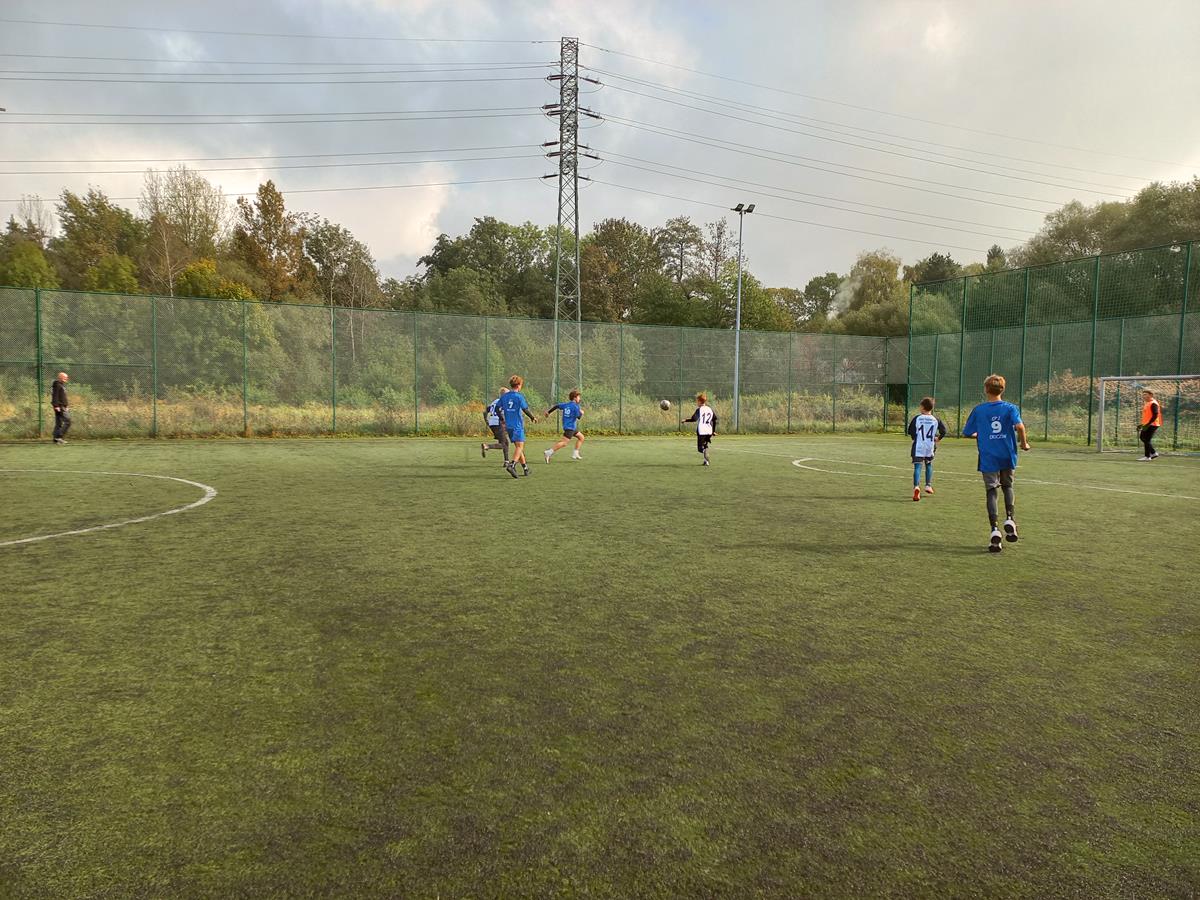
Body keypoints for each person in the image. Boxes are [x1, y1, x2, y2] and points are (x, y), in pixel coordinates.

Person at [963, 374, 1031, 553]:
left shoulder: (979, 410)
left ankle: (995, 530)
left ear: (986, 389)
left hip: (988, 456)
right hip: (1007, 454)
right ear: (1003, 389)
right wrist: (1024, 443)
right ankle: (1010, 518)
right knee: (1007, 486)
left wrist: (981, 434)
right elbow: (1020, 426)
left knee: (991, 491)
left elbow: (967, 432)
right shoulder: (1010, 408)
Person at [906, 396, 947, 501]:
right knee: (928, 464)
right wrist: (938, 438)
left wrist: (914, 438)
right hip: (930, 446)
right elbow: (944, 431)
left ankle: (916, 487)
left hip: (919, 446)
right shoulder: (935, 419)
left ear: (923, 407)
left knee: (917, 467)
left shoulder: (917, 418)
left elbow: (910, 431)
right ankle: (928, 485)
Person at [496, 374, 537, 476]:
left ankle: (525, 468)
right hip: (517, 426)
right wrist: (532, 417)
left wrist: (502, 418)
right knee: (520, 447)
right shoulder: (519, 396)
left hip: (509, 426)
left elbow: (497, 408)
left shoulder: (505, 396)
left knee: (518, 447)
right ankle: (512, 465)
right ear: (519, 385)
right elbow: (525, 409)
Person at [481, 387, 517, 478]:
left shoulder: (495, 401)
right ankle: (487, 446)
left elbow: (485, 411)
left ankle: (506, 461)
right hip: (498, 423)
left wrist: (486, 420)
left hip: (492, 423)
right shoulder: (504, 401)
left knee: (505, 442)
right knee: (503, 444)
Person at [544, 389, 584, 462]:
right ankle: (548, 452)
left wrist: (548, 412)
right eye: (578, 397)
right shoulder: (576, 406)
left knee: (581, 437)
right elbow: (578, 417)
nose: (579, 398)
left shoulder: (566, 405)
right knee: (564, 443)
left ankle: (575, 453)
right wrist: (581, 413)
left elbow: (557, 406)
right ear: (575, 398)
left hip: (569, 427)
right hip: (570, 428)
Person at [682, 392, 717, 466]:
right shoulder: (710, 409)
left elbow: (694, 419)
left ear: (700, 401)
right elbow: (714, 420)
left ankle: (704, 452)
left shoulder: (699, 410)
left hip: (702, 431)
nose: (697, 402)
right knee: (705, 445)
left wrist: (685, 420)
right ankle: (706, 461)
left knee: (700, 448)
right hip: (709, 431)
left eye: (697, 401)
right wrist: (713, 431)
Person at [1137, 389, 1162, 461]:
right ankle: (1153, 453)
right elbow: (1148, 416)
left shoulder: (1153, 403)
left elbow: (1155, 414)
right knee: (1143, 438)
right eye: (1143, 395)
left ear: (1151, 395)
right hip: (1147, 424)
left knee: (1146, 439)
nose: (1143, 396)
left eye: (1145, 394)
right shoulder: (1147, 403)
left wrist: (1148, 424)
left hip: (1153, 424)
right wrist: (1142, 425)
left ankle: (1147, 456)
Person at [51, 371, 71, 444]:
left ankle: (55, 439)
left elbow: (63, 396)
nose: (67, 378)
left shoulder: (61, 385)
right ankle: (59, 437)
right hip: (60, 406)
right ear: (60, 377)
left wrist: (66, 405)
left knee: (59, 423)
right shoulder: (57, 385)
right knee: (68, 422)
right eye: (65, 377)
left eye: (67, 377)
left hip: (62, 406)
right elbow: (55, 396)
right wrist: (56, 406)